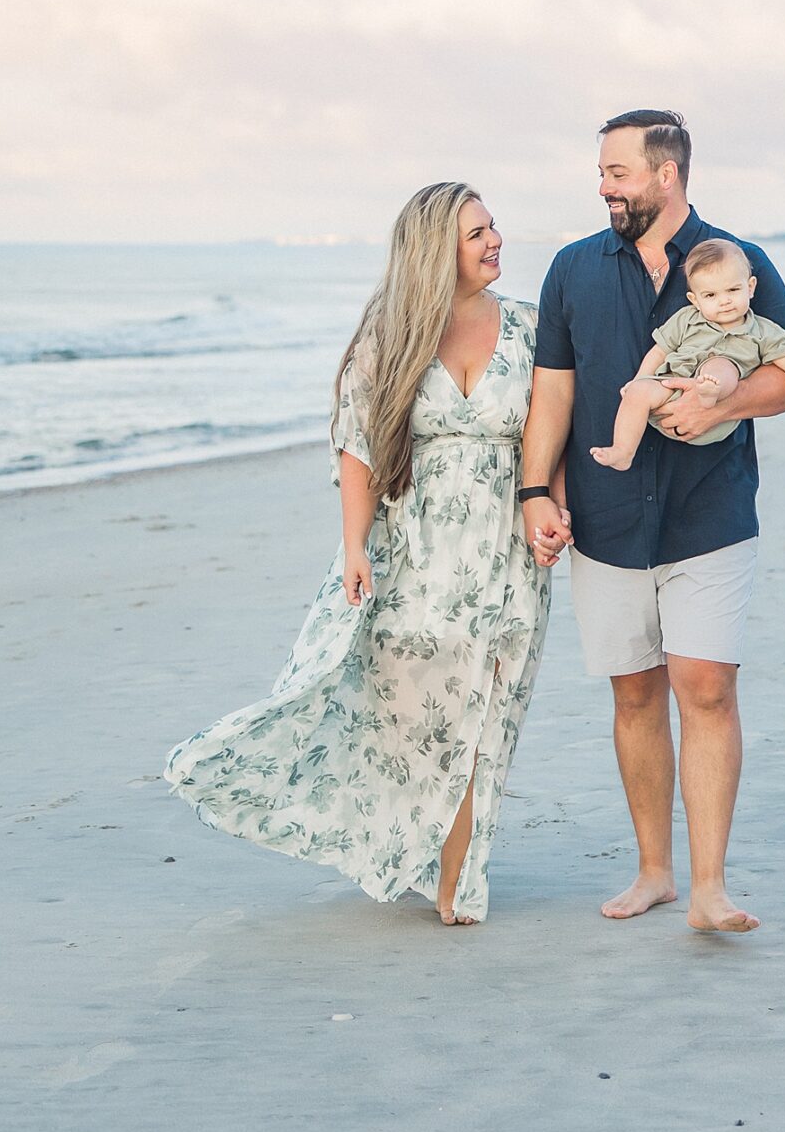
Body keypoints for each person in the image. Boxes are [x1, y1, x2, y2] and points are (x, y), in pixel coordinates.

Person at [165, 183, 553, 925]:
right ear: (438, 250)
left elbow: (552, 428)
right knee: (405, 716)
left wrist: (547, 509)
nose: (495, 239)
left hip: (502, 552)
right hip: (412, 550)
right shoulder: (392, 330)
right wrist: (353, 548)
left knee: (484, 712)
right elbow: (358, 446)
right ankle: (408, 846)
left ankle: (459, 878)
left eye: (491, 226)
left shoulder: (532, 327)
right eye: (476, 233)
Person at [520, 111, 785, 934]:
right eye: (602, 171)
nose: (603, 185)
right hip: (606, 514)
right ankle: (654, 870)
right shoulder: (572, 269)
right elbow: (553, 388)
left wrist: (723, 397)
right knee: (633, 693)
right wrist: (533, 491)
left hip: (709, 511)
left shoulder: (737, 263)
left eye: (617, 171)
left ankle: (710, 888)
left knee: (706, 686)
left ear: (665, 175)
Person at [590, 236, 785, 468]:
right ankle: (623, 451)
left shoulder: (763, 331)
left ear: (750, 288)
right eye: (711, 295)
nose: (724, 301)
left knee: (719, 365)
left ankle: (707, 390)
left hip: (717, 409)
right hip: (671, 396)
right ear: (694, 300)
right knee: (638, 392)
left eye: (732, 290)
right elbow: (659, 352)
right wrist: (640, 380)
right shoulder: (686, 319)